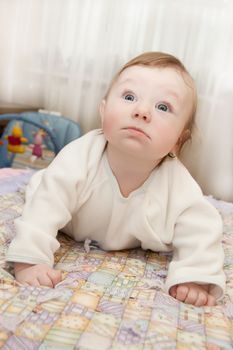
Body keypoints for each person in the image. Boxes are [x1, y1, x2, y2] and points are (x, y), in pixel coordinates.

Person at [6, 52, 225, 306]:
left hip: (126, 231)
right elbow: (45, 208)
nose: (142, 111)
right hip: (72, 217)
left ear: (178, 139)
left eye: (163, 107)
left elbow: (201, 229)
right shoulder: (78, 158)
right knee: (42, 189)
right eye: (129, 97)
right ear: (103, 111)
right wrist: (30, 259)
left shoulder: (178, 185)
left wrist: (194, 277)